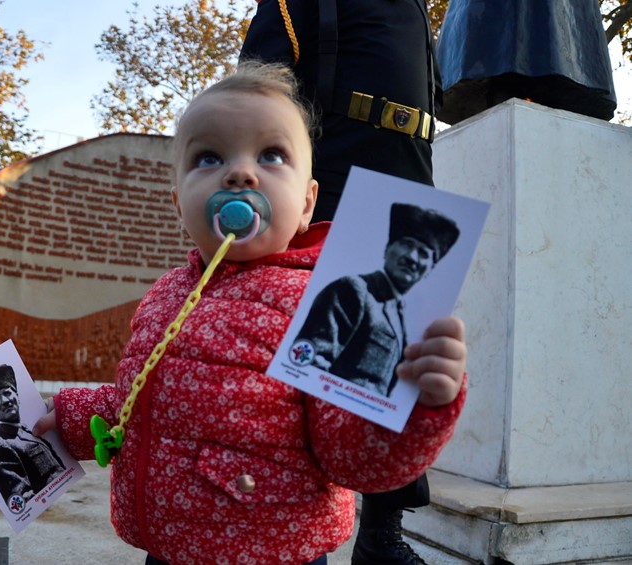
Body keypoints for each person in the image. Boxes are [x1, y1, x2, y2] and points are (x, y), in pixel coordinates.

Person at [33, 62, 467, 565]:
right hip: (168, 550)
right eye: (209, 156)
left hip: (275, 554)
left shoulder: (321, 298)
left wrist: (419, 407)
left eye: (271, 154)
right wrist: (74, 418)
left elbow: (352, 457)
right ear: (179, 205)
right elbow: (149, 403)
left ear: (307, 205)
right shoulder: (167, 294)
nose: (240, 172)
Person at [240, 3, 445, 562]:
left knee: (393, 355)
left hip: (409, 165)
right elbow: (261, 88)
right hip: (329, 172)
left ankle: (381, 532)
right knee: (314, 356)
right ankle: (295, 526)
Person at [296, 203, 460, 397]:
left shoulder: (400, 314)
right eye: (407, 244)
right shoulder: (354, 289)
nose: (413, 258)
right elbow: (310, 365)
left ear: (430, 269)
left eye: (424, 253)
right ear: (388, 248)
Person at [0, 364, 66, 506]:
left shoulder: (29, 431)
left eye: (8, 393)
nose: (5, 401)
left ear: (18, 397)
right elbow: (23, 500)